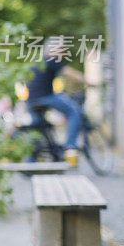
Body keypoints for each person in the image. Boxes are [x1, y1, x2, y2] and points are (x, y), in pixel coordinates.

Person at [25, 38, 87, 166]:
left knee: (38, 128)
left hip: (31, 100)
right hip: (45, 97)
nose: (63, 52)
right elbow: (71, 73)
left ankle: (30, 160)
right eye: (61, 49)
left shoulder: (38, 61)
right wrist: (88, 81)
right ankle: (70, 146)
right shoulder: (51, 60)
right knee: (73, 111)